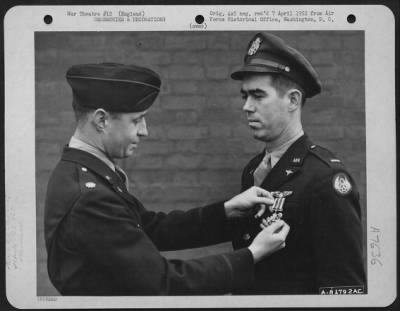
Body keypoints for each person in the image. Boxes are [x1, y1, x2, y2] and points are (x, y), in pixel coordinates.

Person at [44, 63, 290, 296]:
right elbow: (163, 282)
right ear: (101, 120)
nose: (144, 130)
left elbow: (148, 228)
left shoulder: (86, 174)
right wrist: (252, 255)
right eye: (137, 119)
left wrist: (225, 212)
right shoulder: (91, 196)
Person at [230, 33, 366, 294]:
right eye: (244, 96)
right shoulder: (253, 170)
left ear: (292, 100)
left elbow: (344, 287)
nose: (246, 106)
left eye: (258, 95)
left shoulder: (325, 178)